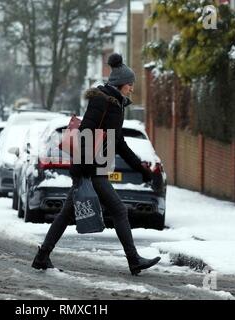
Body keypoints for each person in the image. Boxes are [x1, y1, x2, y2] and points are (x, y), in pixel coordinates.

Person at [32, 53, 161, 276]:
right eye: (130, 85)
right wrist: (83, 170)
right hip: (90, 170)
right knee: (119, 210)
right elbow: (85, 133)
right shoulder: (102, 102)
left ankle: (42, 256)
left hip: (93, 167)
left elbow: (117, 142)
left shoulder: (114, 104)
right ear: (121, 84)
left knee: (65, 215)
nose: (132, 89)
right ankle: (133, 260)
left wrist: (141, 169)